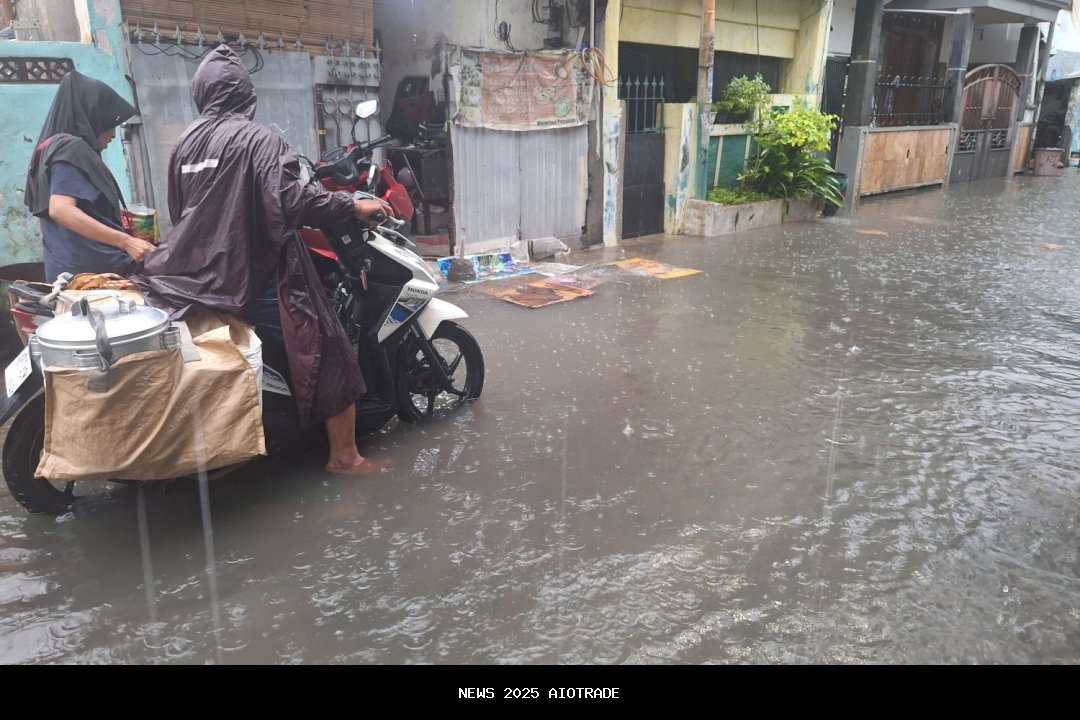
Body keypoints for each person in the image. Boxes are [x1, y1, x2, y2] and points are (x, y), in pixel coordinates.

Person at [134, 45, 390, 476]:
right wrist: (352, 206)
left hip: (189, 272)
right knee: (328, 348)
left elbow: (180, 211)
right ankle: (346, 458)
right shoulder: (258, 138)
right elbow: (294, 199)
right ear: (243, 93)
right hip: (249, 274)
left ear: (202, 93)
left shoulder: (184, 143)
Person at [24, 70, 157, 281]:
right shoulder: (71, 148)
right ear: (93, 116)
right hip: (90, 279)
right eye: (110, 123)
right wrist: (126, 242)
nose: (113, 134)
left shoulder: (50, 150)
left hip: (72, 272)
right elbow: (61, 210)